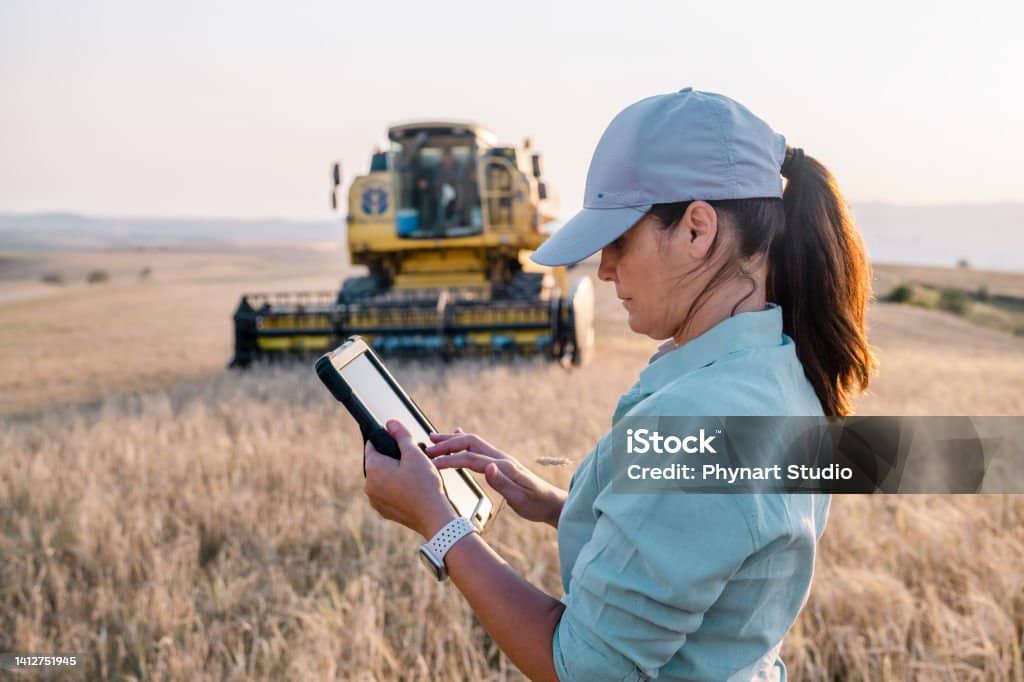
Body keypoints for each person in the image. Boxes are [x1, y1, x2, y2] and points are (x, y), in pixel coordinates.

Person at [361, 88, 876, 680]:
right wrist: (564, 505)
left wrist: (438, 522)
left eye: (619, 241)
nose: (604, 269)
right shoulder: (779, 368)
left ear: (696, 230)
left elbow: (582, 667)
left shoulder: (699, 417)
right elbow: (705, 549)